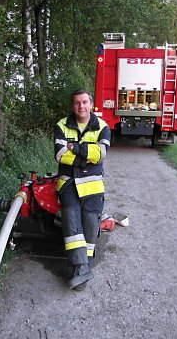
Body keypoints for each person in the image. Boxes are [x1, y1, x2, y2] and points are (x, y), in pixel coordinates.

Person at [53, 89, 111, 290]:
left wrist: (75, 147)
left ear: (91, 104)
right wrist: (87, 155)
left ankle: (84, 265)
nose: (81, 107)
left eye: (85, 102)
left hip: (93, 183)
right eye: (77, 103)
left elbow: (101, 153)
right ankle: (81, 266)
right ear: (72, 106)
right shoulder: (61, 125)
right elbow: (61, 155)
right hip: (68, 182)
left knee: (90, 221)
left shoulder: (102, 126)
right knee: (70, 217)